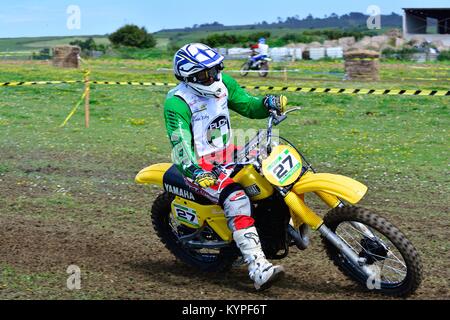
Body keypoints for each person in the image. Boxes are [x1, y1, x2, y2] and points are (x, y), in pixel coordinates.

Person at [164, 43, 287, 291]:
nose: (212, 78)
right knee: (237, 199)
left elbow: (248, 106)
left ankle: (277, 226)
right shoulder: (177, 102)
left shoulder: (224, 84)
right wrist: (195, 172)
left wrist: (267, 103)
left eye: (215, 70)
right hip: (200, 166)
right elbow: (180, 146)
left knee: (276, 167)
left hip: (230, 152)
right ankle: (258, 267)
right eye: (204, 75)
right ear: (188, 77)